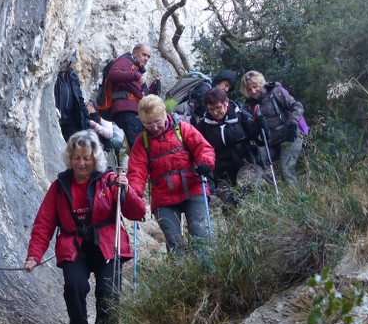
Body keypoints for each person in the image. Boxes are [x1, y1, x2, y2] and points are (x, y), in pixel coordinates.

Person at [25, 130, 145, 324]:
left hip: (108, 245)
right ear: (70, 158)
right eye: (77, 158)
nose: (81, 163)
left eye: (86, 158)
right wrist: (34, 256)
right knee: (74, 286)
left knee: (108, 291)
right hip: (74, 246)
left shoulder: (109, 180)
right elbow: (44, 223)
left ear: (95, 158)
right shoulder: (59, 187)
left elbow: (137, 212)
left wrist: (127, 190)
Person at [127, 95, 215, 255]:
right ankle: (181, 278)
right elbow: (136, 171)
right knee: (175, 243)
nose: (154, 127)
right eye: (148, 123)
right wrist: (134, 194)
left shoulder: (183, 129)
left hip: (192, 188)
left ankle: (207, 275)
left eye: (157, 121)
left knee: (200, 237)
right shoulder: (142, 142)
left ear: (165, 114)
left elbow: (203, 148)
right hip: (163, 198)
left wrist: (205, 163)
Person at [195, 86, 263, 212]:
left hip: (247, 162)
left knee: (248, 190)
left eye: (218, 108)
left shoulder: (241, 116)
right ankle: (239, 229)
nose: (215, 112)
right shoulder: (204, 126)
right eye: (211, 109)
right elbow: (196, 146)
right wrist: (201, 163)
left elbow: (260, 140)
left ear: (226, 103)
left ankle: (259, 224)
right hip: (223, 170)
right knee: (229, 204)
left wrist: (259, 126)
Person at [240, 70, 305, 185]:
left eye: (255, 87)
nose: (253, 91)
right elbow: (254, 130)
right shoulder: (250, 106)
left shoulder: (275, 92)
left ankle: (297, 199)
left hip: (289, 137)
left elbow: (297, 106)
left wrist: (293, 123)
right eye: (249, 89)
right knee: (256, 161)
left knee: (286, 170)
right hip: (271, 143)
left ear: (260, 84)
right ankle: (263, 193)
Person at [106, 43, 161, 150]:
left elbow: (142, 95)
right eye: (144, 55)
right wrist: (136, 75)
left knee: (143, 145)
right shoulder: (126, 60)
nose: (146, 59)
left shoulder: (136, 70)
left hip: (135, 111)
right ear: (135, 52)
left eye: (148, 56)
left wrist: (153, 87)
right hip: (127, 110)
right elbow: (112, 74)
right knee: (139, 147)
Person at [54, 54, 90, 141]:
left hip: (71, 118)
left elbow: (79, 99)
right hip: (58, 118)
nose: (67, 64)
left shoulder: (72, 76)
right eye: (66, 61)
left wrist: (86, 117)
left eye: (69, 62)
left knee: (79, 142)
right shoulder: (54, 76)